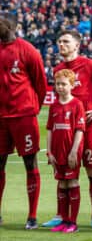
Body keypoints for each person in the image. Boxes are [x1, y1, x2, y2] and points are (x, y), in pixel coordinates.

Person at [42, 30, 92, 229]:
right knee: (63, 170)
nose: (61, 44)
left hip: (89, 127)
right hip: (65, 131)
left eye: (66, 41)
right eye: (59, 41)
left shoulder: (90, 65)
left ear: (77, 45)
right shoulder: (58, 68)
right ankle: (61, 215)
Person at [0, 12, 47, 229]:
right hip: (1, 118)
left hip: (23, 116)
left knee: (30, 163)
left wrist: (33, 109)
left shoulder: (28, 50)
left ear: (10, 26)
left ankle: (32, 215)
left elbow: (40, 83)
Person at [46, 69, 86, 233]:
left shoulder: (77, 104)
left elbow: (80, 129)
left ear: (72, 85)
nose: (60, 87)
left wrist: (74, 151)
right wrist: (49, 151)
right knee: (61, 183)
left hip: (70, 152)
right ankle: (63, 220)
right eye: (58, 84)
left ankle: (73, 222)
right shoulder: (54, 106)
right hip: (57, 151)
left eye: (64, 84)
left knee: (72, 182)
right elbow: (49, 129)